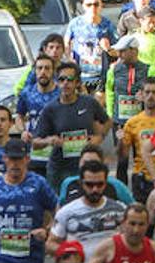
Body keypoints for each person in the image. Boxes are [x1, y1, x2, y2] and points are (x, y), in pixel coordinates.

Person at [31, 62, 110, 191]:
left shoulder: (89, 103)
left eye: (70, 79)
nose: (65, 83)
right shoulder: (51, 109)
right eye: (61, 79)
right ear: (56, 82)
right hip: (60, 169)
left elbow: (107, 122)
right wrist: (49, 141)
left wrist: (99, 137)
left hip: (87, 167)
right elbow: (35, 143)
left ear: (77, 83)